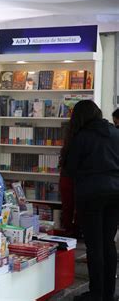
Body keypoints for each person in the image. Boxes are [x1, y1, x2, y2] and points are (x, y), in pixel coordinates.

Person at [63, 101, 119, 301]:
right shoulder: (115, 132)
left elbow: (69, 169)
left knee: (94, 245)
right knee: (108, 243)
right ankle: (108, 293)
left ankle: (96, 293)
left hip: (91, 194)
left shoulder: (81, 137)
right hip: (116, 193)